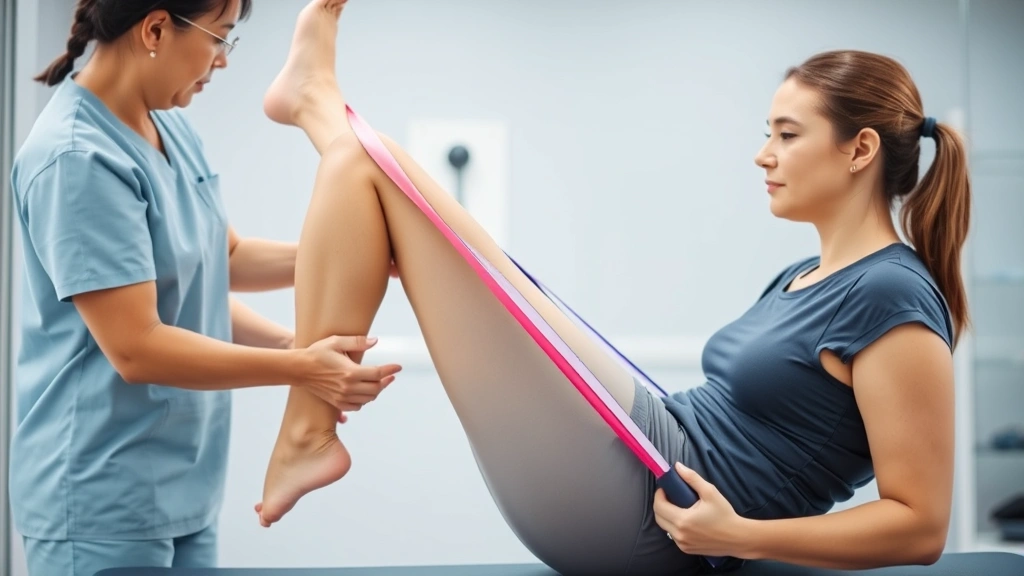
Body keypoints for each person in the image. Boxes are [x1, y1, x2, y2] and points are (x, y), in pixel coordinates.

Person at [250, 2, 969, 575]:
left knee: (373, 168)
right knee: (366, 171)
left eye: (787, 135)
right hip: (653, 446)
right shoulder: (802, 277)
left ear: (859, 149)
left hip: (656, 516)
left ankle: (309, 430)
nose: (763, 155)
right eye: (768, 133)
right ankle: (316, 104)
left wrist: (741, 536)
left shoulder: (890, 295)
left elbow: (920, 523)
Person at [7, 1, 403, 574]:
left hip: (185, 485)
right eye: (219, 37)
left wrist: (348, 266)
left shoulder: (167, 124)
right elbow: (137, 346)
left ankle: (311, 93)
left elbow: (221, 262)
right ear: (155, 29)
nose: (222, 60)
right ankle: (309, 91)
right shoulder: (76, 159)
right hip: (100, 500)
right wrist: (302, 369)